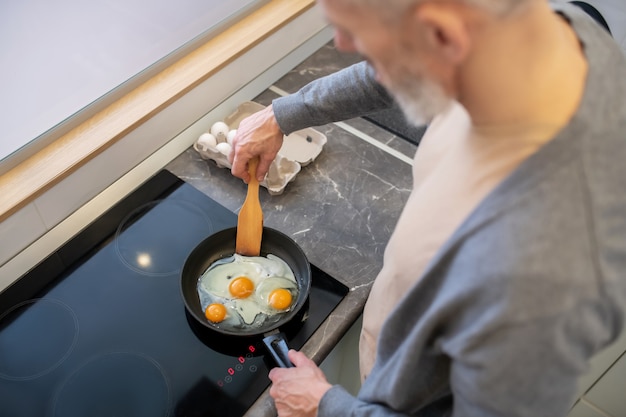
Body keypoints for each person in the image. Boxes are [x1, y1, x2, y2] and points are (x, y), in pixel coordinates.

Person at [228, 0, 626, 416]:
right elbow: (394, 71)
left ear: (441, 32)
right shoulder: (550, 27)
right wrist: (282, 114)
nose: (343, 45)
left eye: (357, 33)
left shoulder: (532, 252)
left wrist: (324, 407)